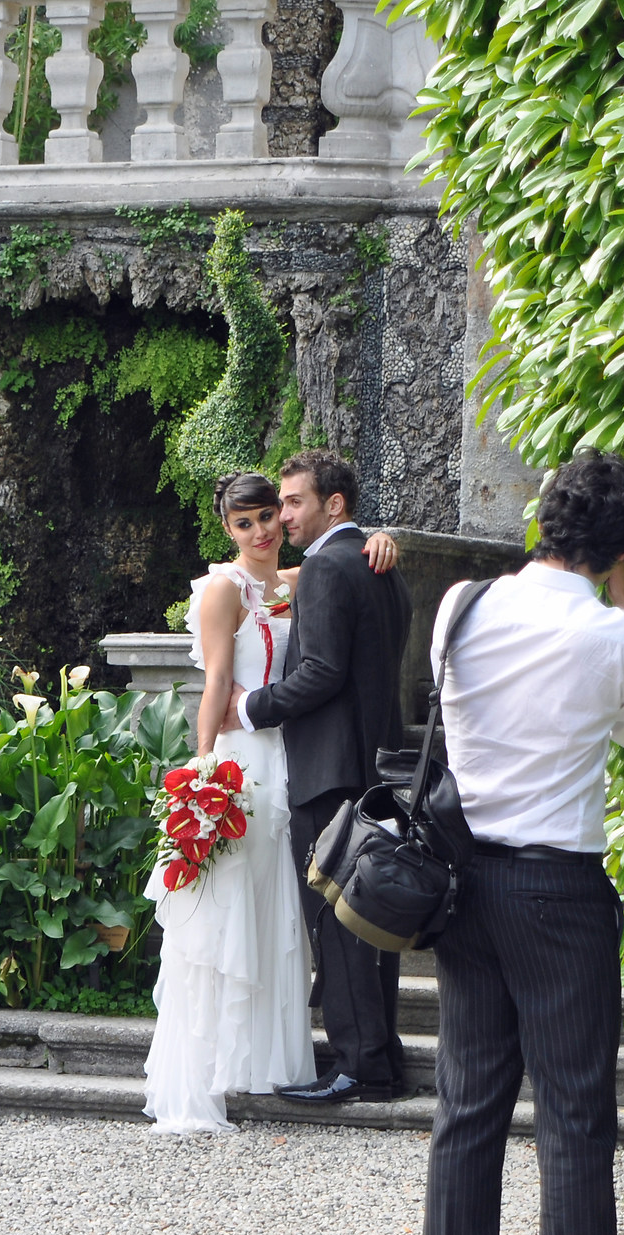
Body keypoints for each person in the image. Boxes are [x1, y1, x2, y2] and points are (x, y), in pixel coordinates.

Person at [420, 449, 624, 1235]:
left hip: (463, 883)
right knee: (573, 1113)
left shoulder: (462, 605)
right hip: (558, 891)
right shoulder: (619, 636)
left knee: (467, 1107)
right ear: (622, 550)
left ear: (544, 520)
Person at [144, 473, 400, 1133]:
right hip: (245, 760)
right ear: (226, 529)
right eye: (246, 522)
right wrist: (204, 769)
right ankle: (220, 1060)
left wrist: (380, 539)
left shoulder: (298, 577)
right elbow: (216, 684)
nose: (262, 530)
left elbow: (343, 563)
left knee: (287, 915)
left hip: (295, 760)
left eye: (269, 515)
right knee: (233, 911)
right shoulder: (222, 589)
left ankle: (274, 1058)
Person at [226, 450, 415, 1106]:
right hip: (372, 769)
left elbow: (322, 673)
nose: (282, 515)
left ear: (333, 504)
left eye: (294, 501)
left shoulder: (332, 566)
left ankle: (359, 1067)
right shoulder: (376, 563)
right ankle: (381, 1059)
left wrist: (249, 708)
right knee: (371, 920)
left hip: (329, 773)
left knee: (338, 923)